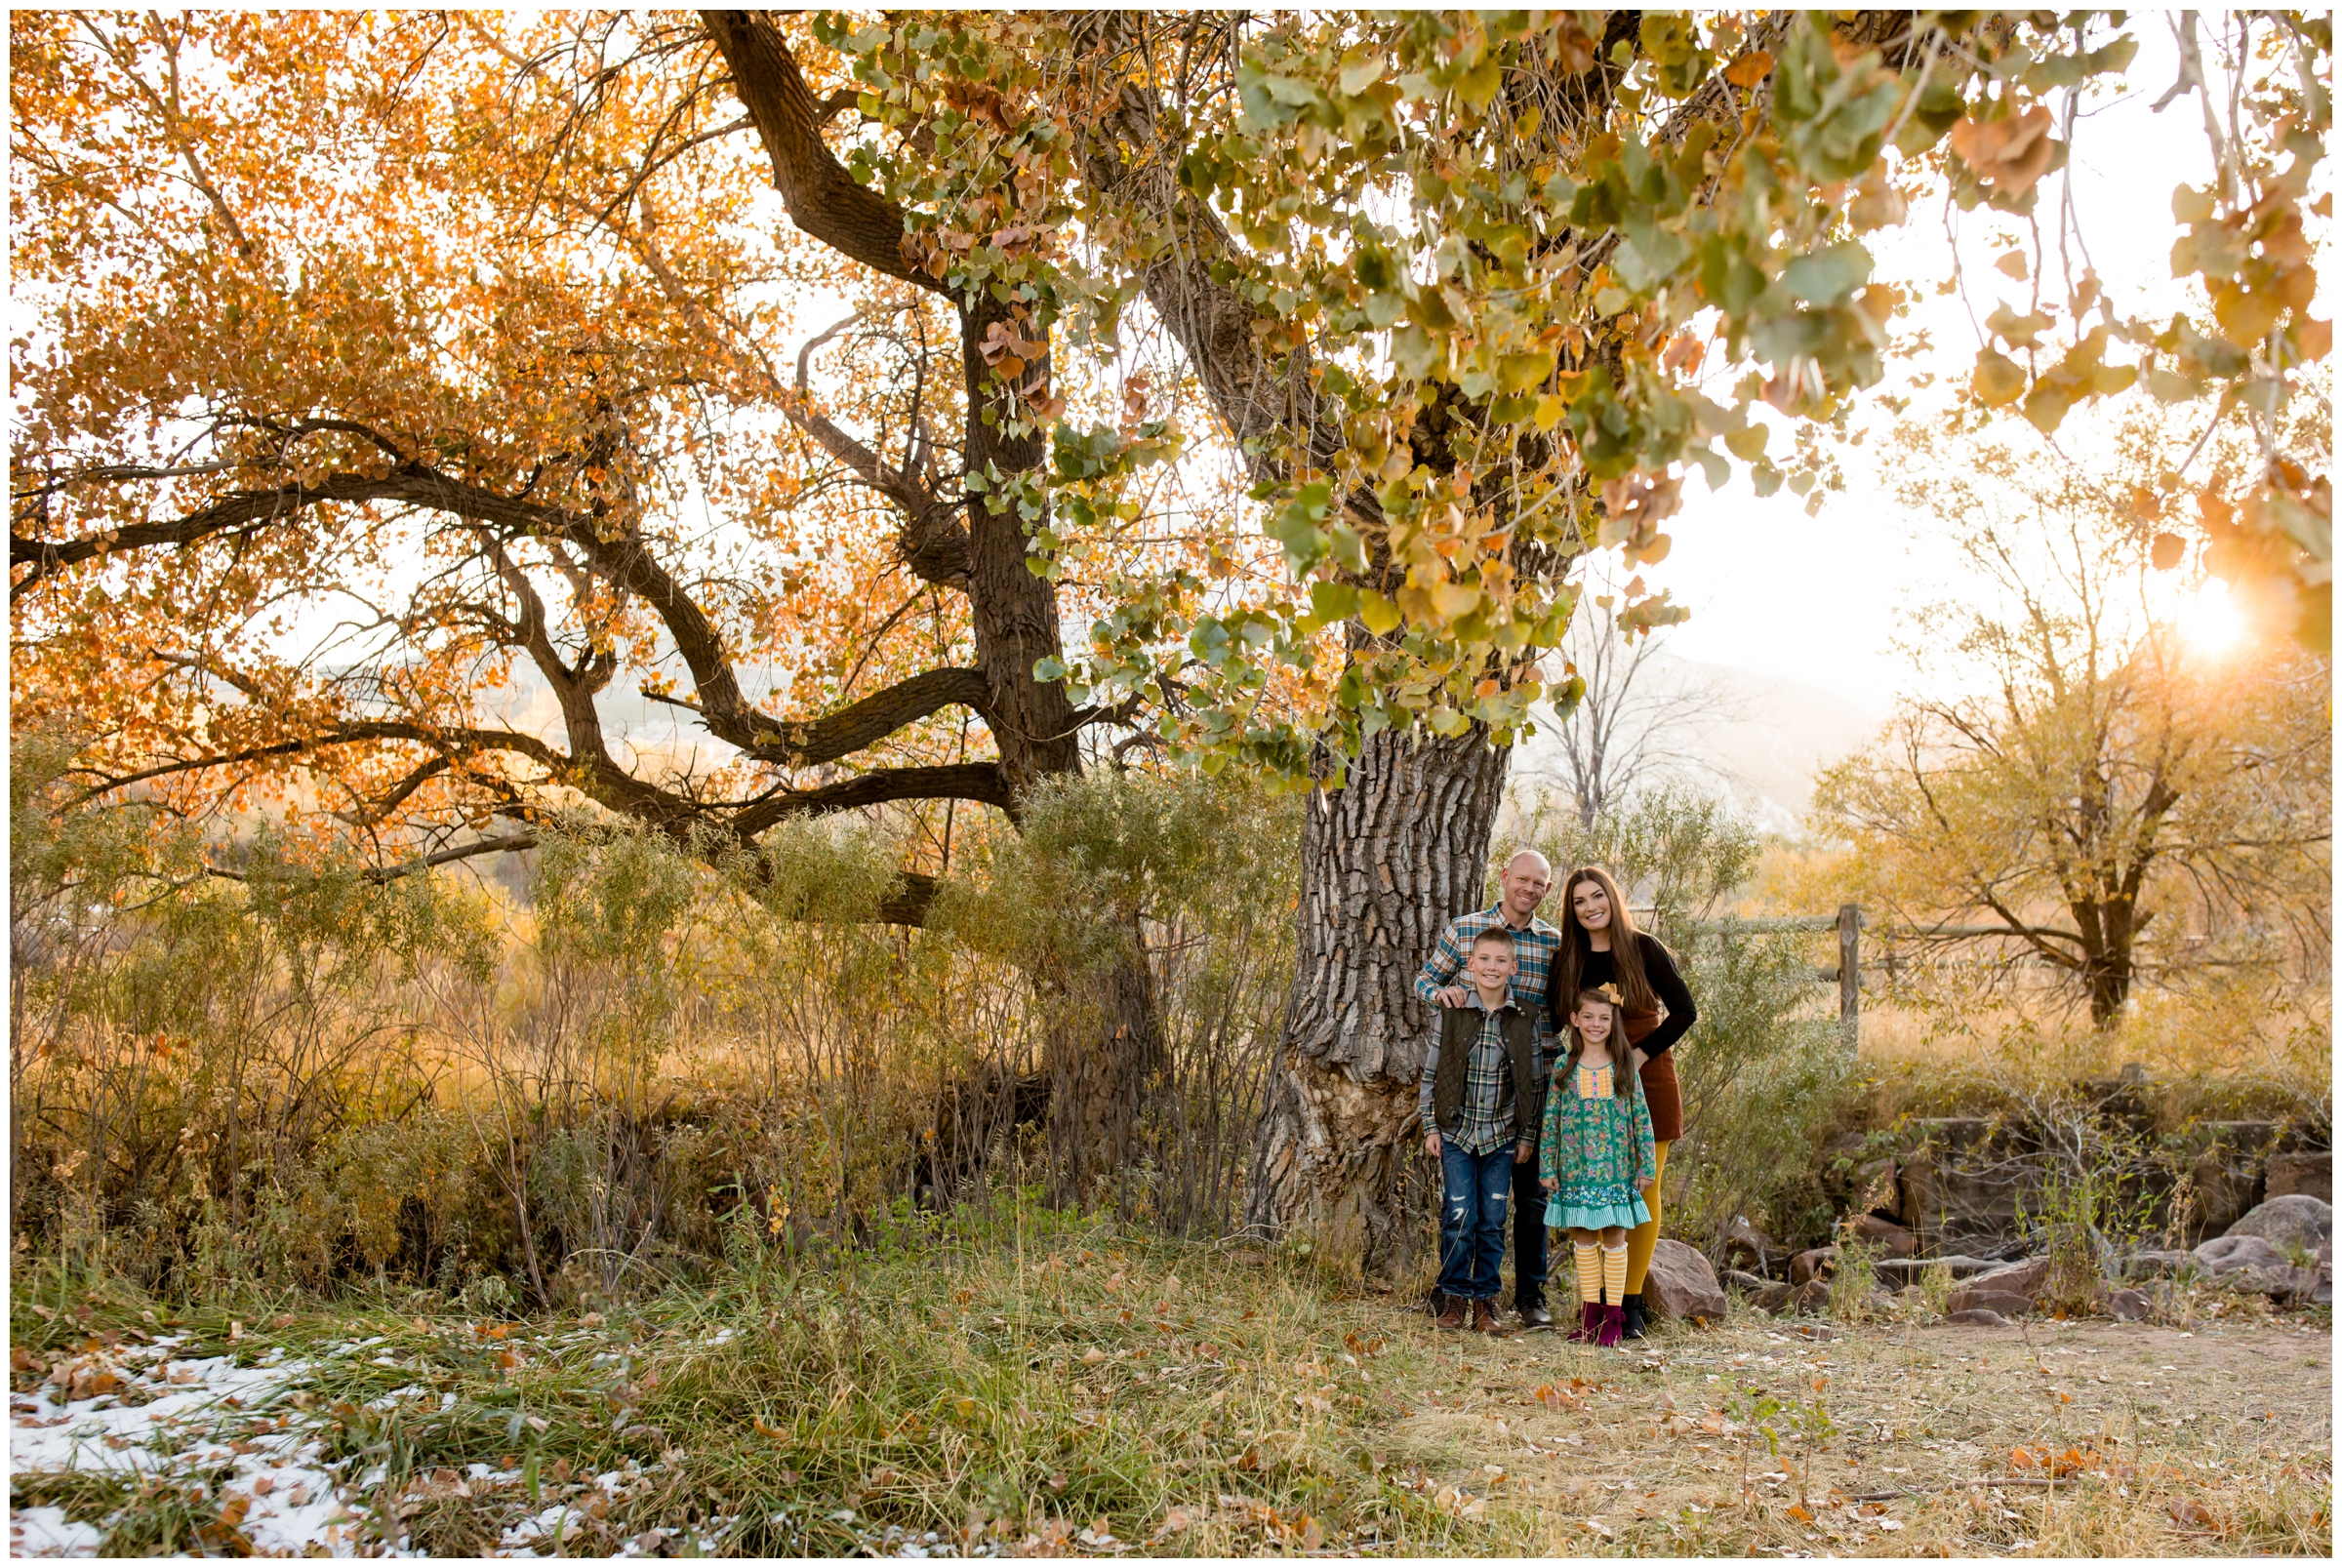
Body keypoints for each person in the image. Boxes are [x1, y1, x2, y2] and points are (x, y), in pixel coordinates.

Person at [1544, 865, 1698, 1342]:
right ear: (1571, 911)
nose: (1591, 908)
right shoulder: (1567, 958)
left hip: (1645, 1076)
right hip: (1587, 1084)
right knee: (1586, 1192)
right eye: (1579, 902)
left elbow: (1685, 1011)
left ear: (1611, 897)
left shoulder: (1644, 948)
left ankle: (1628, 1309)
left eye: (1597, 897)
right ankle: (1595, 1309)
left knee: (1642, 1193)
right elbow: (1553, 1020)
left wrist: (1638, 1053)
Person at [1416, 850, 1562, 1327]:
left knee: (1529, 1201)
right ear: (1505, 877)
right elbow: (1425, 981)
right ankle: (1454, 1295)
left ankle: (1525, 1297)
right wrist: (1442, 993)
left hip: (1527, 1091)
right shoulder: (1466, 930)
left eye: (1538, 883)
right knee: (1463, 1208)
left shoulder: (1552, 943)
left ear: (1545, 889)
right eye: (1522, 879)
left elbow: (1567, 1008)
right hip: (1468, 1090)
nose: (1528, 888)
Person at [1539, 983, 1655, 1347]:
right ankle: (1590, 1318)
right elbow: (1551, 1122)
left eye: (1603, 1018)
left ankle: (1614, 1319)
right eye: (1588, 1017)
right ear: (1574, 1020)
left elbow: (1641, 1119)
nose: (1595, 1024)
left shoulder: (1623, 1066)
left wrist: (1645, 1166)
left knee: (1615, 1238)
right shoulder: (1564, 1067)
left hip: (1617, 1173)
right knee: (1584, 1239)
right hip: (1575, 1173)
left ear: (1612, 1021)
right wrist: (1547, 1168)